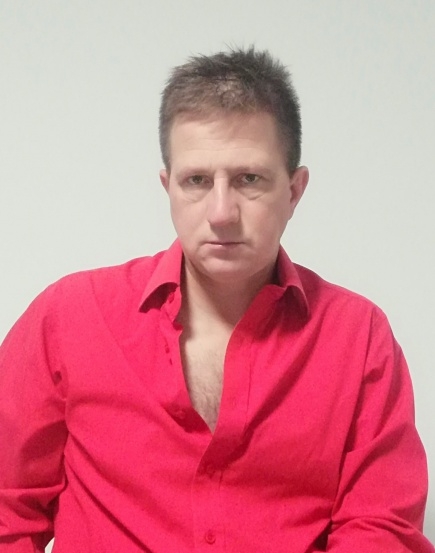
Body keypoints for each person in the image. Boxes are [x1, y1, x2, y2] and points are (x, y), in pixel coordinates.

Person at [0, 47, 433, 553]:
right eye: (197, 181)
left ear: (294, 191)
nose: (222, 212)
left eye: (249, 179)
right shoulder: (70, 317)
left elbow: (381, 529)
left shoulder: (358, 338)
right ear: (168, 188)